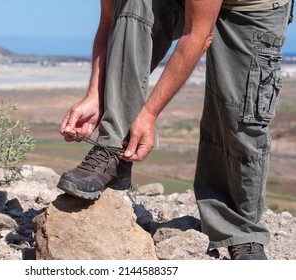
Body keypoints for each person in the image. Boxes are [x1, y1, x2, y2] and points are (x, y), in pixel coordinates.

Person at [57, 0, 293, 260]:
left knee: (238, 116)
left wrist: (149, 114)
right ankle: (114, 149)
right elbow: (110, 23)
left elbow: (198, 35)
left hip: (253, 9)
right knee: (134, 3)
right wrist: (95, 95)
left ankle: (241, 230)